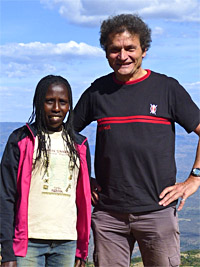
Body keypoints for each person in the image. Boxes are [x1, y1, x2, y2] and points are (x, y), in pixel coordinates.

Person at [73, 14, 200, 267]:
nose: (123, 56)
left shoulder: (167, 88)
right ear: (106, 53)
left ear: (144, 50)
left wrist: (195, 176)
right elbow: (64, 135)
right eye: (114, 50)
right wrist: (81, 178)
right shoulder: (97, 92)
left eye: (130, 48)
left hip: (158, 212)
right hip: (109, 216)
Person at [0, 75, 91, 267]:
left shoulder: (79, 144)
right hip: (28, 243)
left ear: (69, 106)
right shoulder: (21, 139)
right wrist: (7, 251)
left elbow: (82, 197)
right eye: (49, 101)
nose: (56, 108)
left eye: (63, 102)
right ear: (38, 103)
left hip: (67, 242)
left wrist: (81, 249)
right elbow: (6, 196)